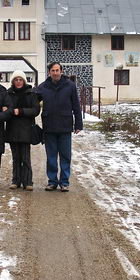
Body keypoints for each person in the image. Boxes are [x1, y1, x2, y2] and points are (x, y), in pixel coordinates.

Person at [36, 62, 83, 192]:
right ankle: (52, 181)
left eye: (57, 70)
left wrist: (78, 124)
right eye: (53, 70)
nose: (55, 73)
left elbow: (76, 106)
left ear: (61, 71)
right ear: (49, 72)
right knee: (51, 156)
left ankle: (64, 182)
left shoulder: (70, 86)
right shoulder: (43, 87)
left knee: (65, 156)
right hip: (49, 126)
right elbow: (32, 100)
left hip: (65, 126)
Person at [5, 70, 41, 191]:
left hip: (26, 129)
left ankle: (28, 181)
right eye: (16, 79)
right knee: (16, 157)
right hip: (12, 129)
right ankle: (16, 180)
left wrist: (20, 111)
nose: (18, 82)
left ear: (24, 81)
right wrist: (5, 109)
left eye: (20, 79)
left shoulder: (31, 94)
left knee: (25, 157)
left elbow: (35, 110)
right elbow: (6, 109)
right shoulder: (8, 94)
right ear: (13, 81)